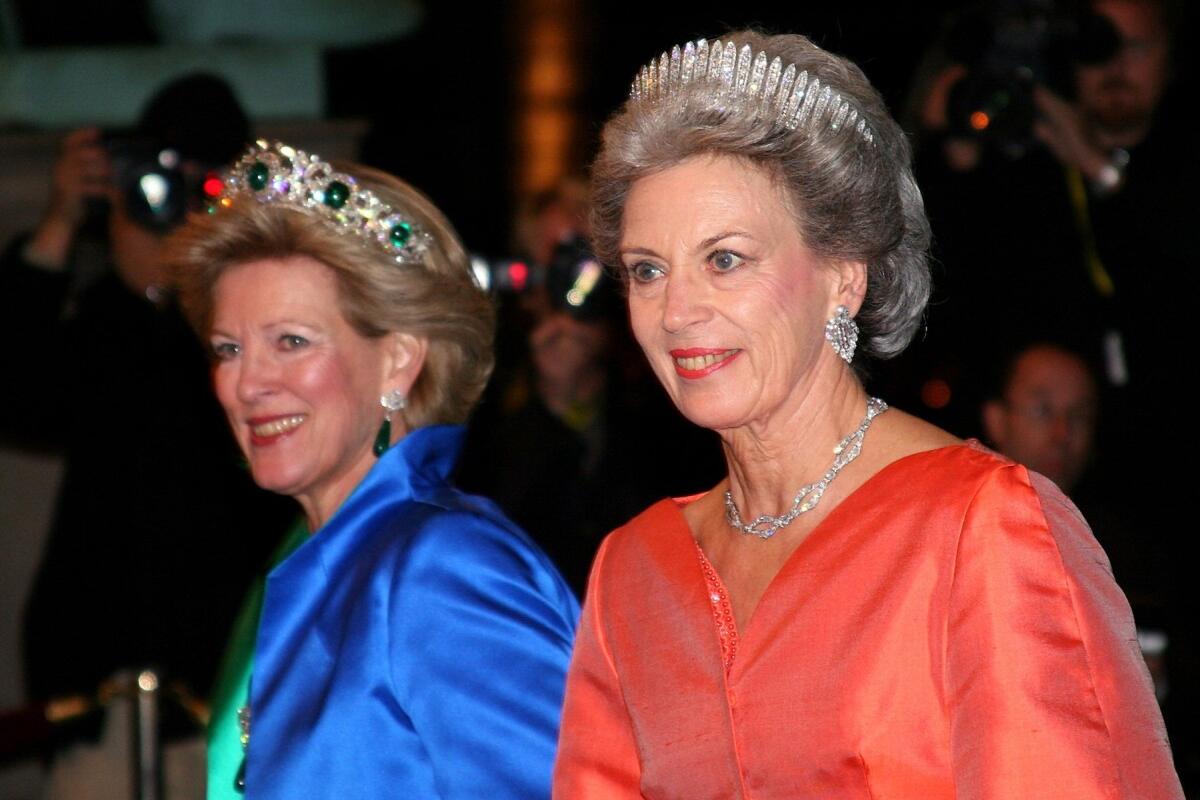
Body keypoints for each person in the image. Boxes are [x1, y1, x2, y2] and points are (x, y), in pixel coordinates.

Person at [552, 31, 1182, 797]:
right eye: (648, 270)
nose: (676, 311)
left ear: (842, 279)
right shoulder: (634, 570)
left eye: (725, 259)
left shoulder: (981, 529)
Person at [167, 141, 579, 798]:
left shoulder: (443, 568)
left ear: (399, 361)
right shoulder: (329, 563)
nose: (246, 385)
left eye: (291, 342)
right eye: (228, 349)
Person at [0, 74, 296, 795]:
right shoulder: (105, 312)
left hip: (231, 695)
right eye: (159, 176)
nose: (177, 202)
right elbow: (20, 397)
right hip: (96, 696)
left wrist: (187, 290)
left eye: (205, 183)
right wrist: (60, 224)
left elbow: (221, 430)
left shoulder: (259, 323)